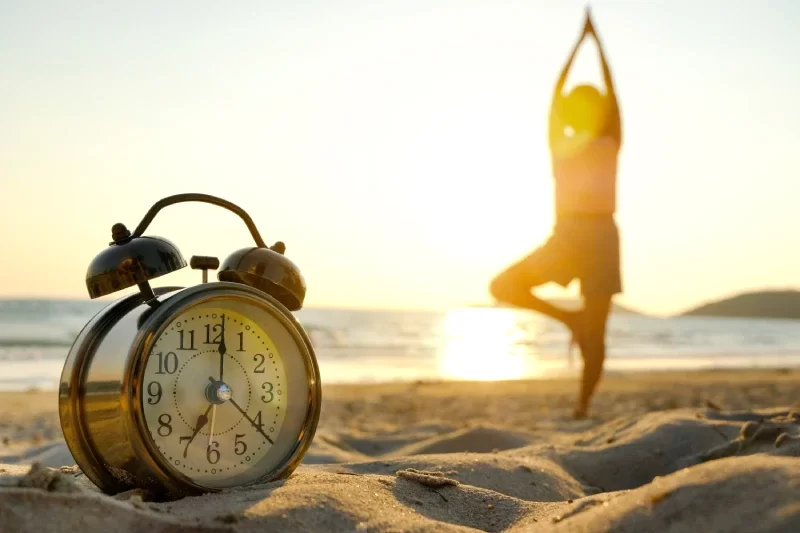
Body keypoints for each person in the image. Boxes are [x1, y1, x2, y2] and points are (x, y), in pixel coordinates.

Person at [489, 9, 622, 419]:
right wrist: (577, 46)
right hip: (565, 235)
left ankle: (582, 406)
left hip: (601, 236)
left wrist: (596, 45)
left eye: (591, 104)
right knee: (503, 286)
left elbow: (612, 92)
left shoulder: (610, 138)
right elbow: (554, 95)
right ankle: (570, 320)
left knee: (596, 336)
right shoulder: (559, 143)